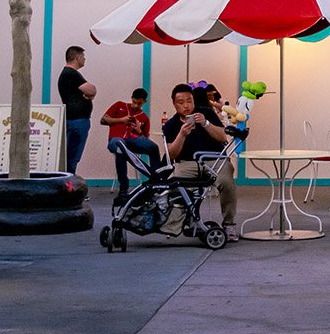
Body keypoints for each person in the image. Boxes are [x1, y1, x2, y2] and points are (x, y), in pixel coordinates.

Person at [163, 82, 238, 234]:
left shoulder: (207, 113)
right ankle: (184, 221)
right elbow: (171, 154)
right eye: (181, 102)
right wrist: (182, 135)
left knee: (226, 182)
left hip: (214, 160)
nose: (186, 106)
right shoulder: (171, 125)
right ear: (174, 104)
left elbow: (222, 136)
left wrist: (206, 123)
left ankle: (229, 223)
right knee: (176, 183)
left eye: (189, 101)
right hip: (187, 162)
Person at [100, 87, 161, 200]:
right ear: (131, 98)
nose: (136, 106)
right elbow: (103, 120)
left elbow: (145, 139)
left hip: (133, 141)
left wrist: (139, 131)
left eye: (139, 103)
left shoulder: (144, 118)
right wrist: (121, 120)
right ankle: (124, 187)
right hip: (116, 140)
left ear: (144, 102)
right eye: (134, 102)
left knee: (153, 147)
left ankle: (156, 180)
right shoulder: (120, 105)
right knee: (120, 147)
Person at [56, 45, 96, 174]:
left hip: (75, 120)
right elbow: (91, 90)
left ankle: (69, 182)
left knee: (72, 155)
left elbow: (90, 92)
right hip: (77, 121)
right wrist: (91, 93)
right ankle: (70, 185)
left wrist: (90, 94)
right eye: (83, 56)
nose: (84, 59)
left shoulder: (69, 74)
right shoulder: (71, 74)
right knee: (73, 155)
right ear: (77, 57)